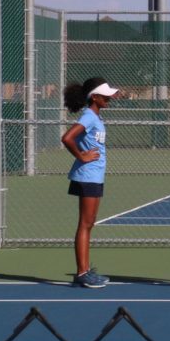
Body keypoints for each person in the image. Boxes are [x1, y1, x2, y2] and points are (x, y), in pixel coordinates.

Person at [61, 77, 120, 289]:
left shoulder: (95, 116)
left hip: (94, 177)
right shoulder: (89, 116)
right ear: (94, 97)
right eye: (105, 95)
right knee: (85, 225)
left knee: (88, 224)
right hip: (87, 176)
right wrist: (81, 156)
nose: (109, 98)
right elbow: (67, 137)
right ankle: (82, 273)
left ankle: (84, 270)